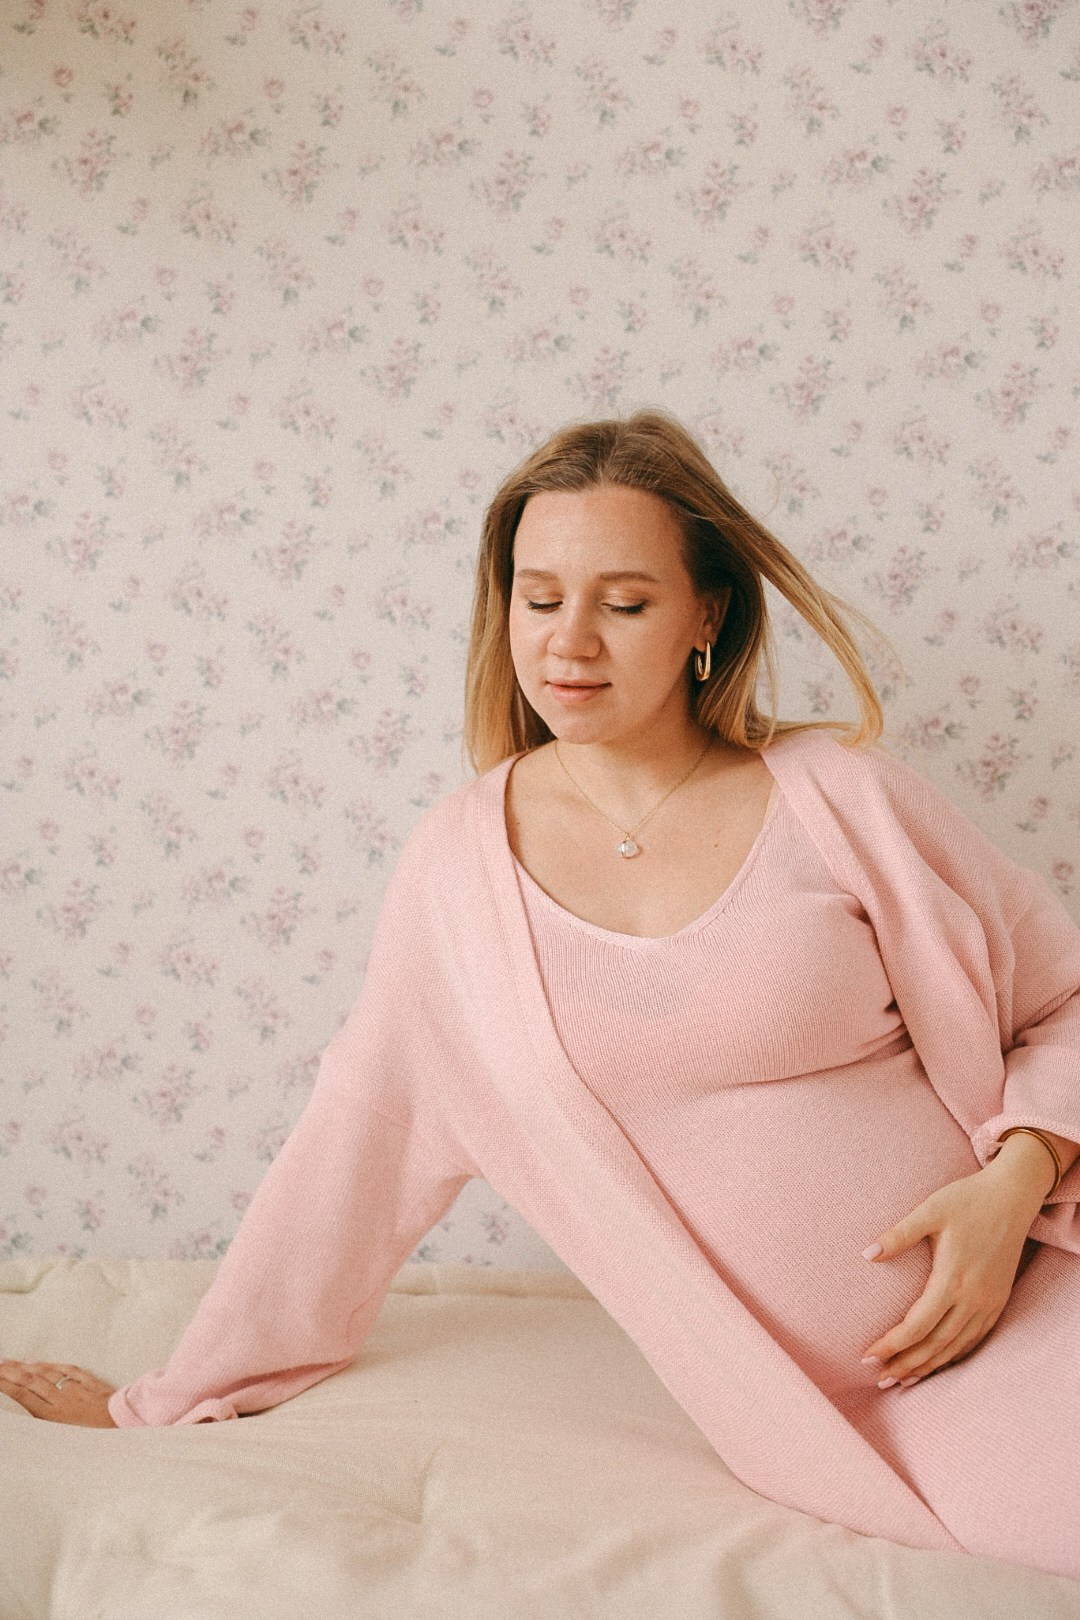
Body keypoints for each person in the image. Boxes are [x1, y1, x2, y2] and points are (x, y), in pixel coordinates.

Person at [3, 410, 1078, 1578]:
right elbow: (358, 1145)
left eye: (624, 603)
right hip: (820, 1408)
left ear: (704, 616)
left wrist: (1008, 1187)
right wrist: (163, 1400)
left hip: (1034, 1287)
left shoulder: (842, 797)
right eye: (538, 597)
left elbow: (1064, 1000)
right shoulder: (458, 873)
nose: (572, 644)